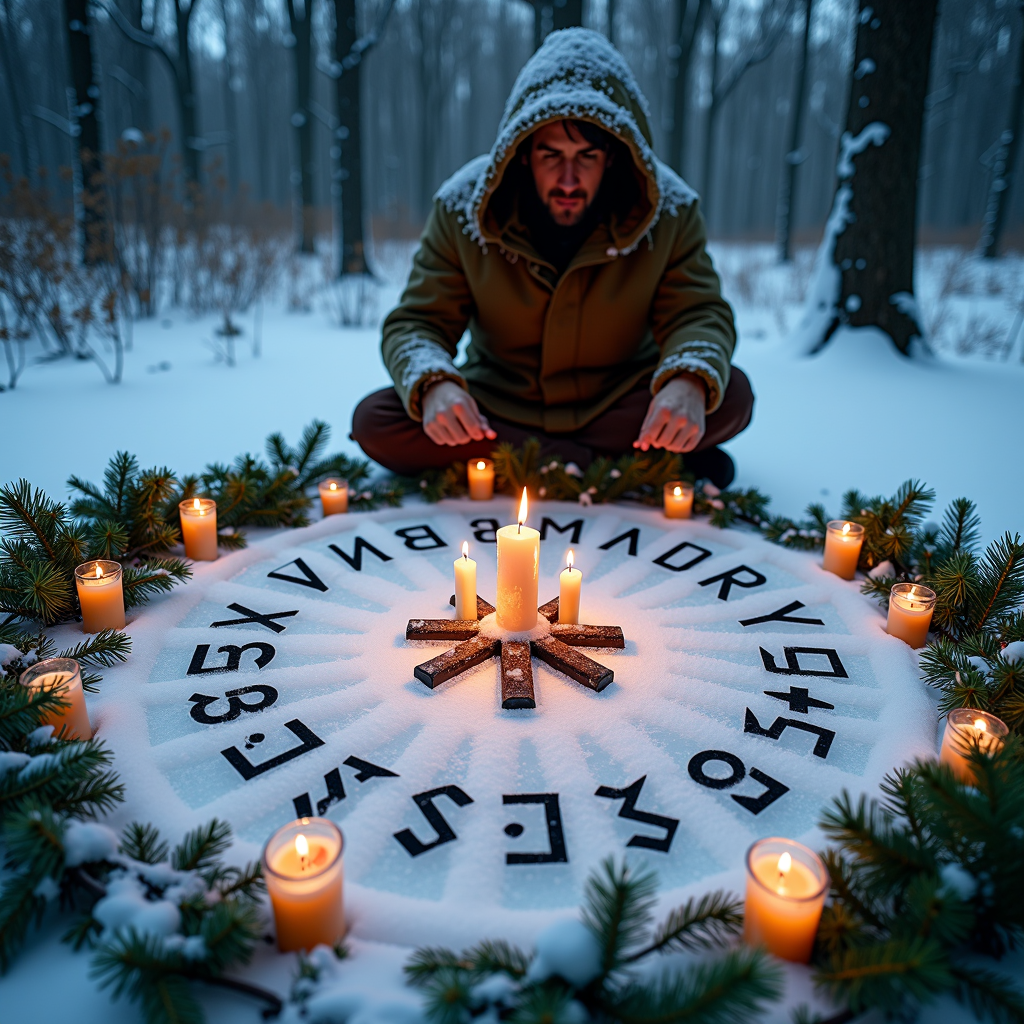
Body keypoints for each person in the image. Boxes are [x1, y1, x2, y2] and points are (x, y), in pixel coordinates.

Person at [352, 28, 753, 488]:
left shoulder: (670, 208)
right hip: (500, 406)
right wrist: (436, 385)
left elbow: (698, 313)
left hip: (621, 403)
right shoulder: (463, 206)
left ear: (615, 156)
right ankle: (626, 466)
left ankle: (534, 463)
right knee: (377, 420)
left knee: (731, 394)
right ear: (521, 153)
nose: (567, 179)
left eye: (586, 156)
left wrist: (688, 382)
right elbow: (417, 323)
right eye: (550, 154)